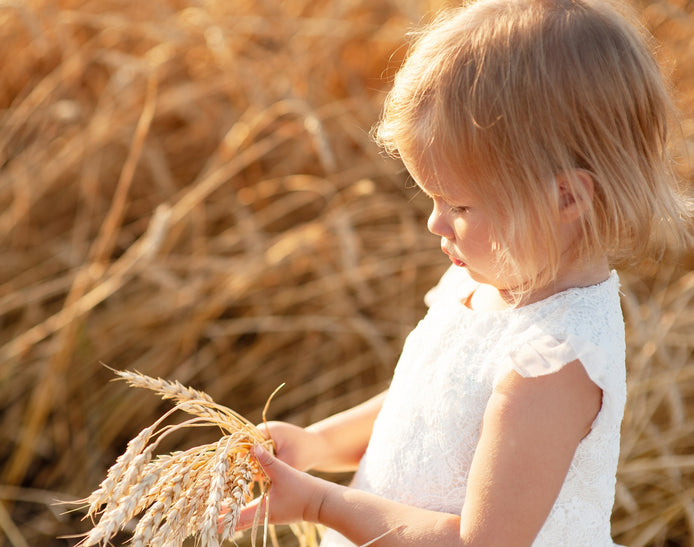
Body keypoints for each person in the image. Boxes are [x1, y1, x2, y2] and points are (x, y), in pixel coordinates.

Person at [236, 0, 693, 545]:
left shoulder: (553, 360)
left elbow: (482, 542)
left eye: (458, 205)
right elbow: (424, 410)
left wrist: (318, 501)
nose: (435, 223)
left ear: (565, 197)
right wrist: (316, 443)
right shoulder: (480, 281)